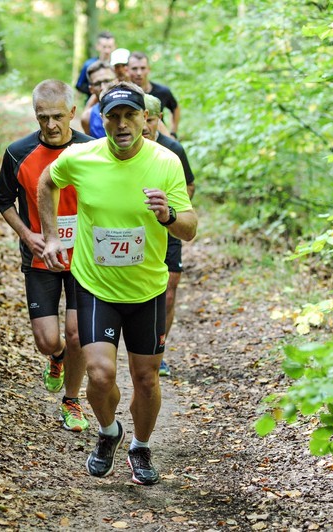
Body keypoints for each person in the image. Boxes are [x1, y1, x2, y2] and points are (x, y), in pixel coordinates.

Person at [37, 82, 197, 485]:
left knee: (145, 378)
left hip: (147, 290)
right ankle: (109, 432)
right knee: (100, 374)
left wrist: (168, 215)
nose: (122, 124)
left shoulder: (166, 162)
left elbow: (190, 228)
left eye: (130, 115)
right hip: (95, 286)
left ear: (146, 119)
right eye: (113, 116)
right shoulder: (81, 157)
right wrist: (52, 236)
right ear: (101, 120)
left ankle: (141, 446)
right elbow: (47, 183)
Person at [0, 80, 92, 432]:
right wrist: (28, 234)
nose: (50, 125)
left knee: (79, 332)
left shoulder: (93, 150)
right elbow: (2, 200)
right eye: (43, 117)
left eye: (58, 117)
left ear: (73, 114)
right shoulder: (18, 153)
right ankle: (57, 357)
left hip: (83, 258)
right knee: (47, 340)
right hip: (40, 259)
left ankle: (72, 401)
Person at [141, 95, 195, 377]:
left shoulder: (173, 149)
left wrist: (170, 210)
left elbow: (189, 186)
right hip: (137, 232)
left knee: (169, 294)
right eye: (144, 118)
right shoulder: (124, 147)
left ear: (158, 119)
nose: (146, 125)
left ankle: (158, 349)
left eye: (151, 119)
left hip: (168, 226)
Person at [127, 51, 181, 138]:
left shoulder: (162, 91)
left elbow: (175, 108)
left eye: (143, 68)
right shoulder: (123, 94)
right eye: (134, 68)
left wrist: (173, 133)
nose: (139, 73)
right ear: (127, 69)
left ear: (149, 69)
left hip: (159, 139)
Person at [80, 61, 116, 138]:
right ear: (91, 89)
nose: (103, 87)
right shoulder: (88, 118)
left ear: (116, 81)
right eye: (97, 84)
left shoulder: (133, 109)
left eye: (107, 81)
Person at [75, 31, 116, 98]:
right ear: (97, 47)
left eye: (110, 47)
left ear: (114, 47)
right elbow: (79, 85)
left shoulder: (118, 65)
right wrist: (95, 89)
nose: (107, 51)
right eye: (104, 47)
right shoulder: (89, 64)